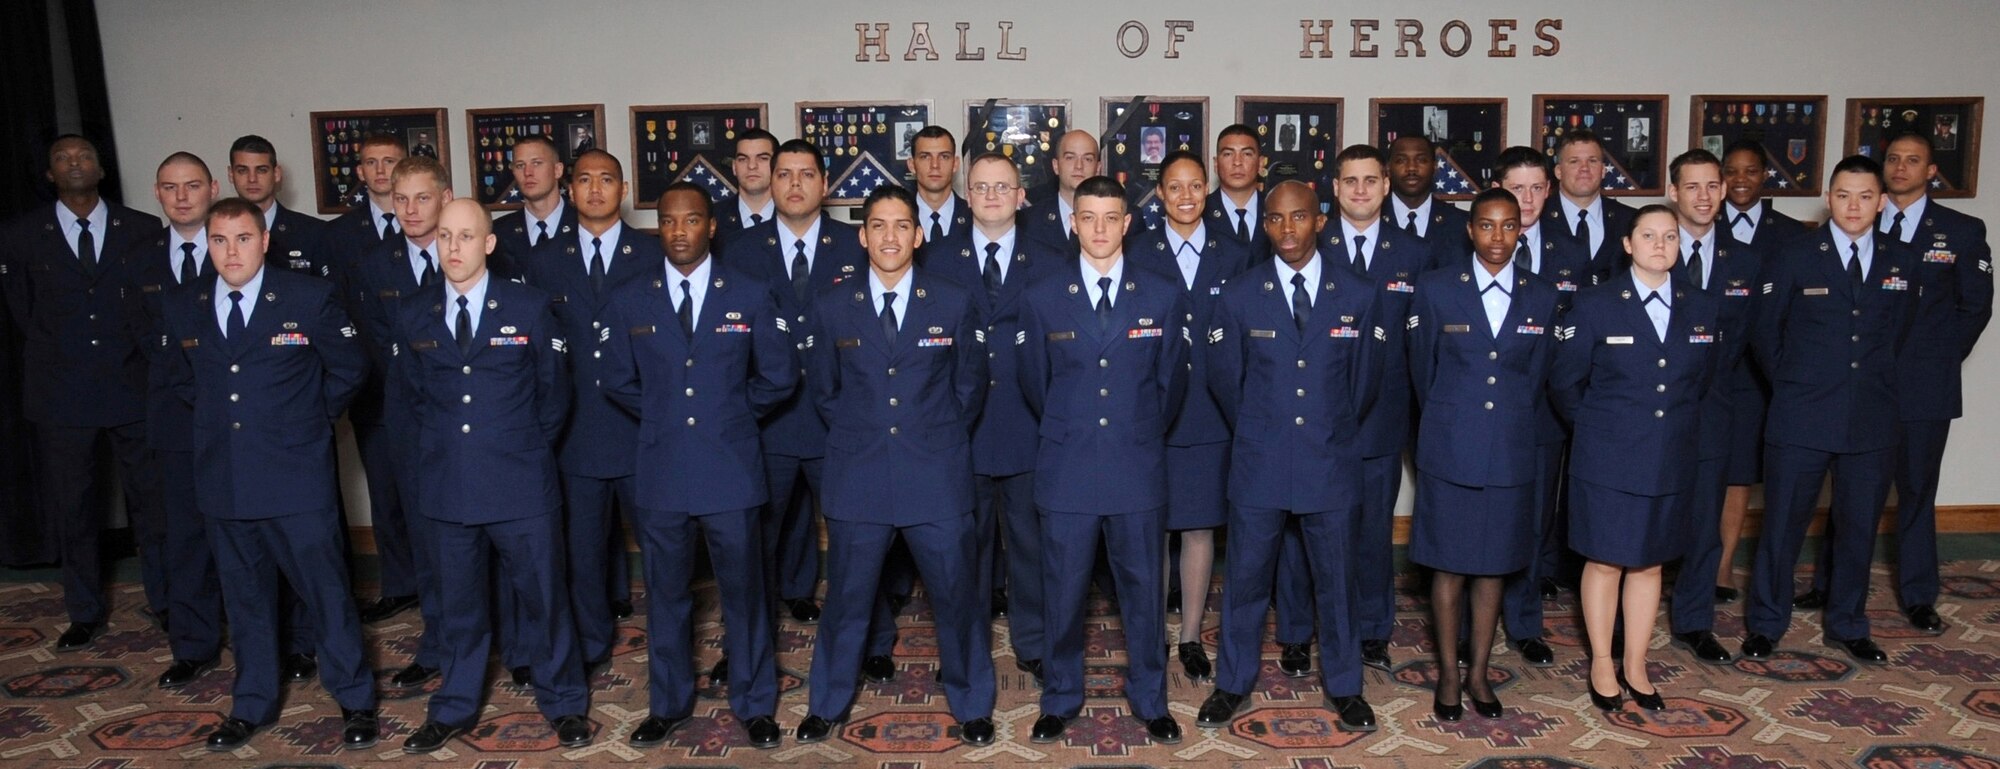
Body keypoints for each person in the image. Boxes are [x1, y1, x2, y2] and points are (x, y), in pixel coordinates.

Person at [152, 197, 376, 751]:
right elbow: (182, 382)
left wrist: (307, 420)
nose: (232, 252)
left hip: (296, 479)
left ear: (265, 240)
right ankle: (251, 703)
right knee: (245, 600)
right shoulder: (184, 303)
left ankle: (355, 699)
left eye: (243, 238)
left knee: (325, 595)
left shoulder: (307, 296)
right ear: (208, 244)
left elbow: (350, 368)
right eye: (220, 240)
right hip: (224, 480)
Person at [794, 185, 997, 746]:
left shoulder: (953, 300)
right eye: (878, 226)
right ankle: (828, 702)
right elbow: (826, 392)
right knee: (847, 602)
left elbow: (969, 386)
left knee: (957, 599)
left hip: (936, 475)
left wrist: (929, 435)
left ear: (919, 234)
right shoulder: (833, 304)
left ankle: (973, 702)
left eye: (901, 225)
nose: (890, 236)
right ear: (862, 236)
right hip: (859, 477)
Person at [393, 198, 592, 752]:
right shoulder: (414, 313)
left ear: (488, 243)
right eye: (444, 237)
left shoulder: (527, 307)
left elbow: (554, 396)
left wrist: (518, 449)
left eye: (465, 236)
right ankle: (453, 705)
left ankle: (565, 702)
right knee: (457, 609)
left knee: (545, 601)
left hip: (520, 484)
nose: (453, 248)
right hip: (447, 487)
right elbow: (412, 400)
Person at [599, 182, 791, 750]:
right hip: (660, 471)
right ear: (658, 227)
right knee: (665, 595)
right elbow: (615, 377)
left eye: (691, 220)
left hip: (730, 469)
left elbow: (779, 375)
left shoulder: (752, 293)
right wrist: (665, 413)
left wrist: (728, 413)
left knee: (745, 593)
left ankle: (755, 704)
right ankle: (668, 703)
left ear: (712, 226)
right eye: (668, 221)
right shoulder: (629, 297)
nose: (679, 231)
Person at [1195, 178, 1382, 733]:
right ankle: (1232, 683)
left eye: (1298, 217)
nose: (1286, 230)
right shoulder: (1239, 295)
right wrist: (1264, 429)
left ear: (1320, 219)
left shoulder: (1358, 294)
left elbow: (1364, 386)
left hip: (1331, 463)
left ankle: (1346, 687)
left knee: (1337, 583)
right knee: (1247, 582)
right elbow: (1227, 383)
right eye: (1274, 219)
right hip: (1260, 462)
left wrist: (1324, 431)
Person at [1016, 175, 1188, 745]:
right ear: (1073, 223)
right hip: (1066, 469)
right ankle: (1060, 697)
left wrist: (1135, 436)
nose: (1098, 228)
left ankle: (1150, 698)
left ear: (1128, 224)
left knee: (1143, 594)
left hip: (1137, 469)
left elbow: (1170, 386)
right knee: (1062, 594)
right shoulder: (1042, 294)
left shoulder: (1162, 293)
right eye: (1087, 217)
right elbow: (1037, 386)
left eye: (1110, 217)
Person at [1796, 133, 1992, 631]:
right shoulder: (1855, 219)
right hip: (1856, 389)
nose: (1901, 167)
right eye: (1894, 160)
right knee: (1849, 492)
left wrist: (1937, 360)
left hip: (1923, 389)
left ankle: (1919, 594)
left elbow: (1975, 308)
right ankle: (1829, 584)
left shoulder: (1962, 231)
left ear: (1931, 170)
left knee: (1916, 491)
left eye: (1914, 161)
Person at [1742, 155, 1920, 666]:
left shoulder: (1902, 260)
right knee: (1781, 527)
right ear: (1829, 197)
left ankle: (1848, 623)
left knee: (1859, 527)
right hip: (1800, 414)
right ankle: (1766, 624)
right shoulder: (1794, 254)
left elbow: (1898, 334)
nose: (1854, 206)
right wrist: (1798, 385)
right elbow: (1765, 333)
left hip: (1871, 418)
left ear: (1882, 202)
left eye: (1865, 196)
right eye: (1843, 195)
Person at [1552, 204, 1720, 712]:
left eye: (1670, 237)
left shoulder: (1703, 305)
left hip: (1669, 455)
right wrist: (1604, 428)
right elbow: (1565, 382)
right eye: (1649, 235)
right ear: (1628, 244)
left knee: (1649, 564)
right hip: (1606, 456)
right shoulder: (1595, 304)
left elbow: (1701, 382)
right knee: (1605, 560)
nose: (1660, 245)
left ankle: (1636, 662)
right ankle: (1602, 660)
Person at [0, 135, 163, 653]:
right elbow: (23, 313)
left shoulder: (141, 228)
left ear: (100, 167)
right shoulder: (20, 235)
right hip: (61, 393)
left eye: (84, 156)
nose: (74, 163)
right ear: (49, 173)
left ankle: (167, 603)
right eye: (63, 158)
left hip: (132, 386)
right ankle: (85, 612)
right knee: (75, 509)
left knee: (151, 505)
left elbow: (148, 307)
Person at [1405, 187, 1561, 722]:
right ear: (1470, 230)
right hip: (1451, 448)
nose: (1499, 237)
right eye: (1488, 226)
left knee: (1494, 568)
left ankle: (1478, 672)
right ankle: (1449, 673)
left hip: (1512, 451)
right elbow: (1422, 373)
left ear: (1522, 231)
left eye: (1509, 226)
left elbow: (1537, 377)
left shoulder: (1542, 295)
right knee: (1449, 568)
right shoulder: (1437, 288)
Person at [1280, 145, 1430, 674]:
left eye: (1371, 180)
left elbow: (1420, 342)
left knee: (1371, 534)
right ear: (1335, 189)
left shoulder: (1414, 253)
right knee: (1300, 535)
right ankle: (1297, 632)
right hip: (1313, 423)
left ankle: (1371, 630)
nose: (1361, 190)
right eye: (1351, 181)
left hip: (1380, 420)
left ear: (1386, 186)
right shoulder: (1305, 244)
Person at [516, 149, 660, 678]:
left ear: (623, 190)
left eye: (607, 180)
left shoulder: (652, 254)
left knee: (662, 552)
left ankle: (667, 650)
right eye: (584, 180)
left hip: (643, 429)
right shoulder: (541, 262)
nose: (595, 189)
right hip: (574, 430)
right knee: (581, 555)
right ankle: (592, 644)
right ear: (569, 189)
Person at [722, 139, 869, 645]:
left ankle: (868, 640)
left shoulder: (857, 245)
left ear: (824, 184)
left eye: (806, 174)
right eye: (784, 174)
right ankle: (747, 645)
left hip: (841, 420)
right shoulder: (739, 250)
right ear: (770, 180)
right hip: (769, 423)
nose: (794, 184)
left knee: (859, 538)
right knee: (754, 543)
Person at [918, 153, 1056, 673]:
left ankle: (1036, 644)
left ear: (1022, 197)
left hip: (1027, 423)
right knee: (962, 551)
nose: (992, 195)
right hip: (960, 427)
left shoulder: (1050, 258)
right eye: (981, 187)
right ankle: (964, 648)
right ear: (966, 195)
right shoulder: (935, 258)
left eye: (1003, 187)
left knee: (1030, 546)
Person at [1128, 151, 1251, 679]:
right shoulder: (1135, 251)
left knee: (1199, 527)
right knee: (1151, 526)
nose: (1184, 196)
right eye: (1174, 187)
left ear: (1208, 190)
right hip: (1150, 406)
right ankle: (1151, 631)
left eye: (1194, 186)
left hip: (1209, 411)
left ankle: (1191, 634)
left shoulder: (1238, 253)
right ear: (1160, 194)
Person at [344, 155, 456, 692]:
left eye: (422, 198)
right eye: (401, 198)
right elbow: (377, 352)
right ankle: (436, 644)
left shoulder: (472, 250)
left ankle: (516, 644)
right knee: (426, 538)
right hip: (407, 423)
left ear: (444, 197)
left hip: (470, 423)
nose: (410, 209)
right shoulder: (372, 265)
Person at [1488, 147, 1592, 668]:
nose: (1526, 200)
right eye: (1516, 188)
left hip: (1545, 414)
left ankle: (1525, 622)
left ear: (1548, 191)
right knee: (1484, 521)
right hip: (1484, 413)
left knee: (1533, 522)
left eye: (1535, 188)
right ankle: (1474, 625)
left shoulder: (1573, 253)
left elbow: (1578, 340)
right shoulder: (1470, 247)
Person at [1661, 150, 1764, 666]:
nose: (1702, 196)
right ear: (1673, 191)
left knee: (1704, 524)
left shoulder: (1745, 263)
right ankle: (1618, 623)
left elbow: (1757, 342)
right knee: (1644, 520)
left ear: (1723, 191)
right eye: (1692, 186)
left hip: (1715, 411)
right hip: (1652, 413)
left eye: (1711, 186)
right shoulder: (1651, 249)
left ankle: (1695, 621)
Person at [316, 132, 419, 626]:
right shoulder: (337, 236)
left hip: (434, 388)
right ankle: (400, 583)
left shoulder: (435, 227)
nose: (381, 171)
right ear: (359, 171)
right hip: (373, 386)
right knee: (387, 494)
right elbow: (331, 311)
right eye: (372, 163)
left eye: (391, 162)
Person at [140, 152, 227, 688]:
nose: (181, 196)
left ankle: (281, 640)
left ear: (212, 188)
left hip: (242, 424)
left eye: (192, 185)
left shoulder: (241, 249)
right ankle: (193, 645)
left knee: (251, 537)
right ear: (157, 193)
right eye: (170, 187)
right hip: (174, 421)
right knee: (185, 538)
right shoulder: (135, 260)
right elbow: (136, 343)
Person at [1712, 138, 1804, 605]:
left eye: (1751, 171)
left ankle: (1723, 567)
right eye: (1732, 171)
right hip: (1707, 367)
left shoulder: (1791, 235)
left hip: (1758, 375)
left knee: (1737, 473)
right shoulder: (1698, 226)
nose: (1741, 180)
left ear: (1765, 177)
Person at [227, 135, 329, 279]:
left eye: (261, 170)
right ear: (231, 175)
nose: (252, 179)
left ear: (276, 174)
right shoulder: (216, 234)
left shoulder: (314, 233)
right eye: (242, 170)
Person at [1548, 130, 1638, 283]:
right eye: (1574, 161)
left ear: (1603, 171)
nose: (1584, 168)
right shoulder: (1539, 218)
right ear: (1558, 172)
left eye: (1592, 161)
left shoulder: (1630, 220)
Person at [490, 134, 572, 280]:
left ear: (557, 170)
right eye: (520, 165)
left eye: (537, 163)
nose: (528, 172)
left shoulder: (584, 225)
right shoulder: (498, 234)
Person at [1387, 135, 1470, 266]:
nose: (1411, 168)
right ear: (1388, 168)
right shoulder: (1371, 219)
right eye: (1401, 160)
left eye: (1421, 160)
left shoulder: (1462, 224)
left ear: (1435, 167)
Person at [1021, 130, 1099, 256]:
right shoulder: (1029, 221)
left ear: (1098, 168)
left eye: (1088, 159)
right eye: (1070, 158)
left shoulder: (1123, 219)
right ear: (1056, 166)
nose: (1079, 166)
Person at [1207, 124, 1267, 255]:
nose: (1237, 162)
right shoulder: (1200, 213)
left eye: (1247, 154)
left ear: (1261, 163)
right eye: (1228, 154)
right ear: (1216, 164)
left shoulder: (1275, 210)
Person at [715, 128, 779, 249]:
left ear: (777, 165)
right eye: (743, 159)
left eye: (762, 158)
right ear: (734, 167)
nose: (751, 166)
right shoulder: (713, 218)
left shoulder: (794, 216)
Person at [910, 126, 971, 249]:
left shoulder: (975, 217)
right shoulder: (897, 218)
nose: (935, 165)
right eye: (925, 157)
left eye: (944, 157)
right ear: (912, 165)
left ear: (955, 164)